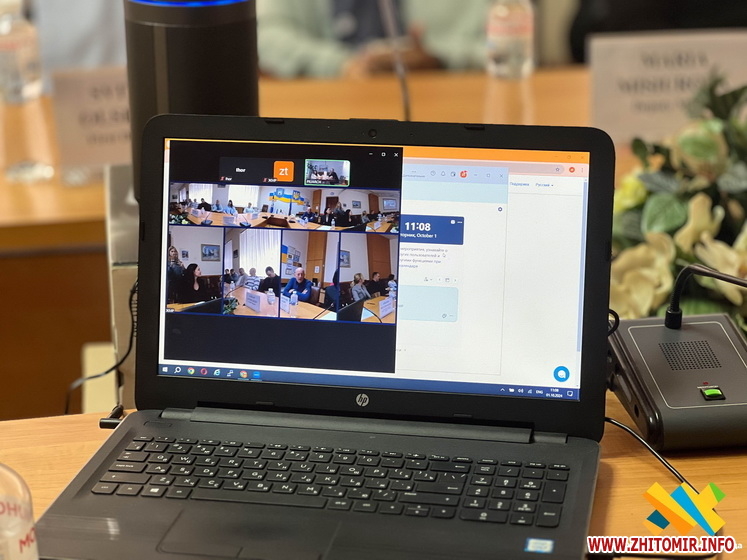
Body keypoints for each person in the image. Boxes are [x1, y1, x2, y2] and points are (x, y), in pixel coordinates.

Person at [256, 0, 492, 79]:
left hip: (442, 103)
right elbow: (264, 35)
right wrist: (343, 64)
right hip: (331, 109)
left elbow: (505, 45)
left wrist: (439, 58)